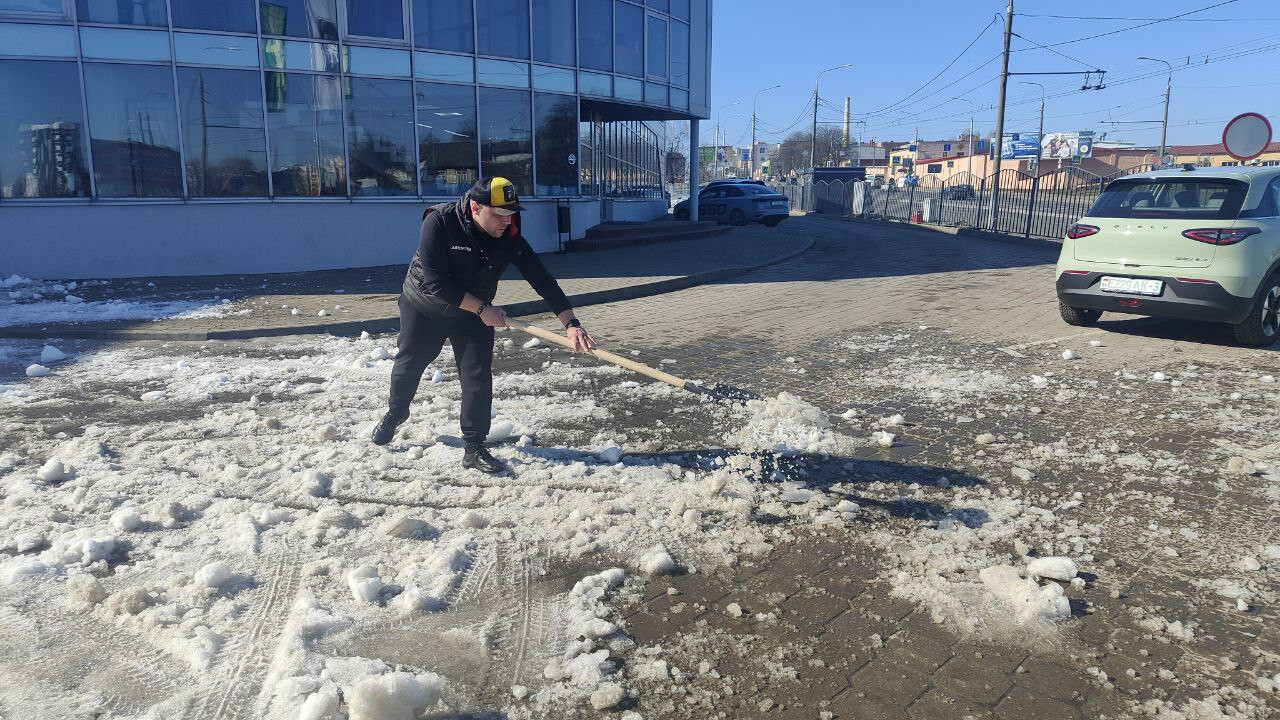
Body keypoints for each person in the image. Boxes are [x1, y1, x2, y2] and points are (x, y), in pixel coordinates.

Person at [372, 177, 596, 474]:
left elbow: (541, 279)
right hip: (425, 305)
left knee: (477, 375)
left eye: (512, 213)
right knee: (410, 363)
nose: (507, 221)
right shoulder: (440, 222)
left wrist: (571, 323)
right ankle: (396, 412)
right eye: (500, 214)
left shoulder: (510, 235)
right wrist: (482, 308)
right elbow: (436, 283)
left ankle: (474, 447)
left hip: (473, 314)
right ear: (476, 207)